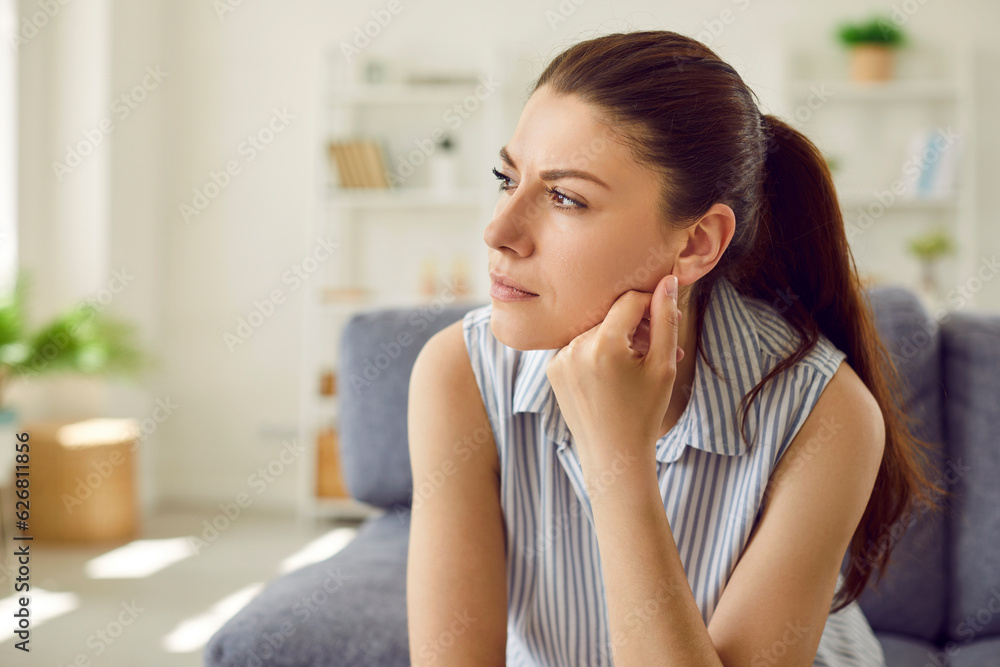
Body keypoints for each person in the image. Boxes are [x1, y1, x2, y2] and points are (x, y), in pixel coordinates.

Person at [406, 29, 947, 666]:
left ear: (695, 244)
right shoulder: (458, 375)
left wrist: (617, 456)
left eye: (565, 198)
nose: (498, 231)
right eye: (507, 178)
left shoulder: (827, 417)